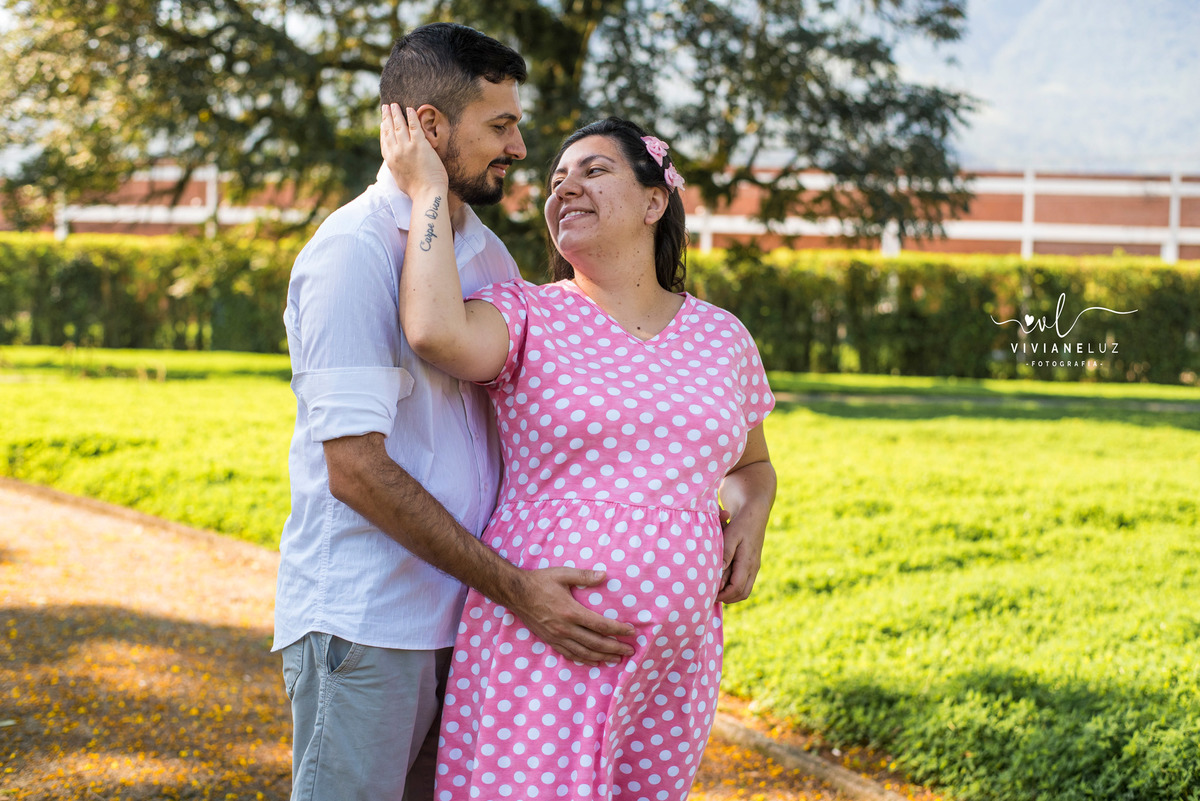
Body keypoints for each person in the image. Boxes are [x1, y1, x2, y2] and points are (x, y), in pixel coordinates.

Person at [273, 24, 635, 801]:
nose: (519, 145)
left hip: (468, 628)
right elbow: (357, 471)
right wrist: (513, 586)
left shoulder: (488, 256)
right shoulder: (352, 254)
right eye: (498, 125)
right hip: (371, 626)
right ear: (429, 128)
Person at [381, 107, 777, 800]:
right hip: (547, 629)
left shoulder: (723, 338)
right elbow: (435, 330)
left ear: (656, 200)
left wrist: (753, 512)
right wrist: (428, 193)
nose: (565, 186)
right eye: (557, 178)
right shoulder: (529, 313)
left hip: (673, 661)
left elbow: (749, 464)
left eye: (594, 170)